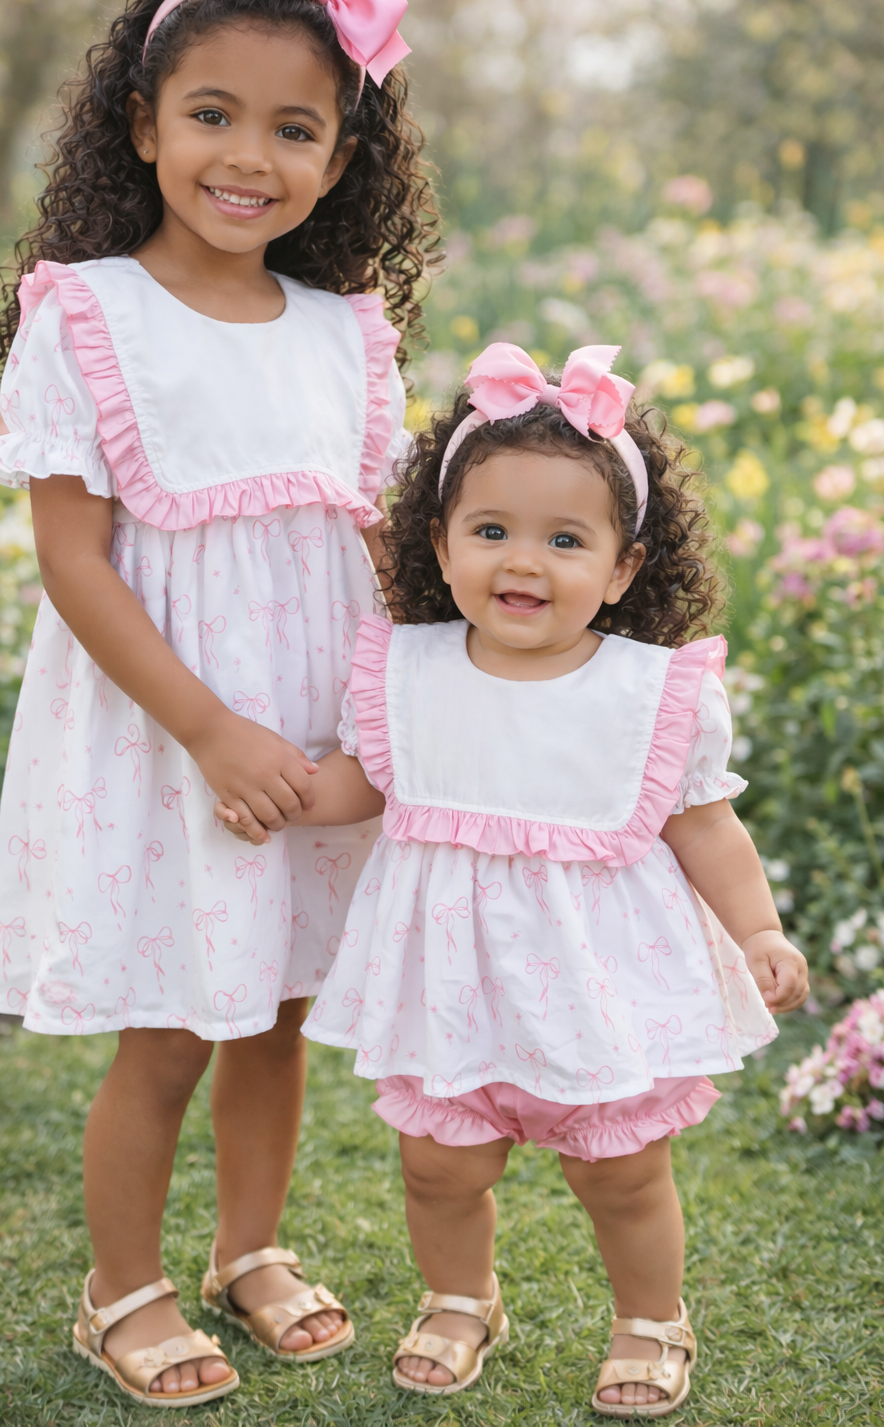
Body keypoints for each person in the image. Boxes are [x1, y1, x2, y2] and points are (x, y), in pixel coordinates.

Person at [0, 0, 437, 1408]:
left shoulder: (346, 332)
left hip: (306, 731)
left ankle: (251, 1250)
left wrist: (371, 738)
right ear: (143, 124)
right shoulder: (88, 313)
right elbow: (74, 561)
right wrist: (210, 731)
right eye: (213, 115)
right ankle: (125, 1289)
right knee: (174, 1024)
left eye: (295, 127)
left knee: (280, 1011)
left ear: (341, 155)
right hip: (170, 730)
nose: (251, 156)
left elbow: (372, 557)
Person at [218, 341, 809, 1415]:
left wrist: (759, 932)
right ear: (438, 546)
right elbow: (362, 783)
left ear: (623, 567)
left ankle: (649, 1319)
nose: (521, 562)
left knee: (619, 1172)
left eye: (564, 540)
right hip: (452, 980)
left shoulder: (649, 694)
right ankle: (459, 1297)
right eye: (489, 531)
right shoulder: (407, 669)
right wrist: (283, 792)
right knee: (441, 1167)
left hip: (599, 984)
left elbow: (708, 828)